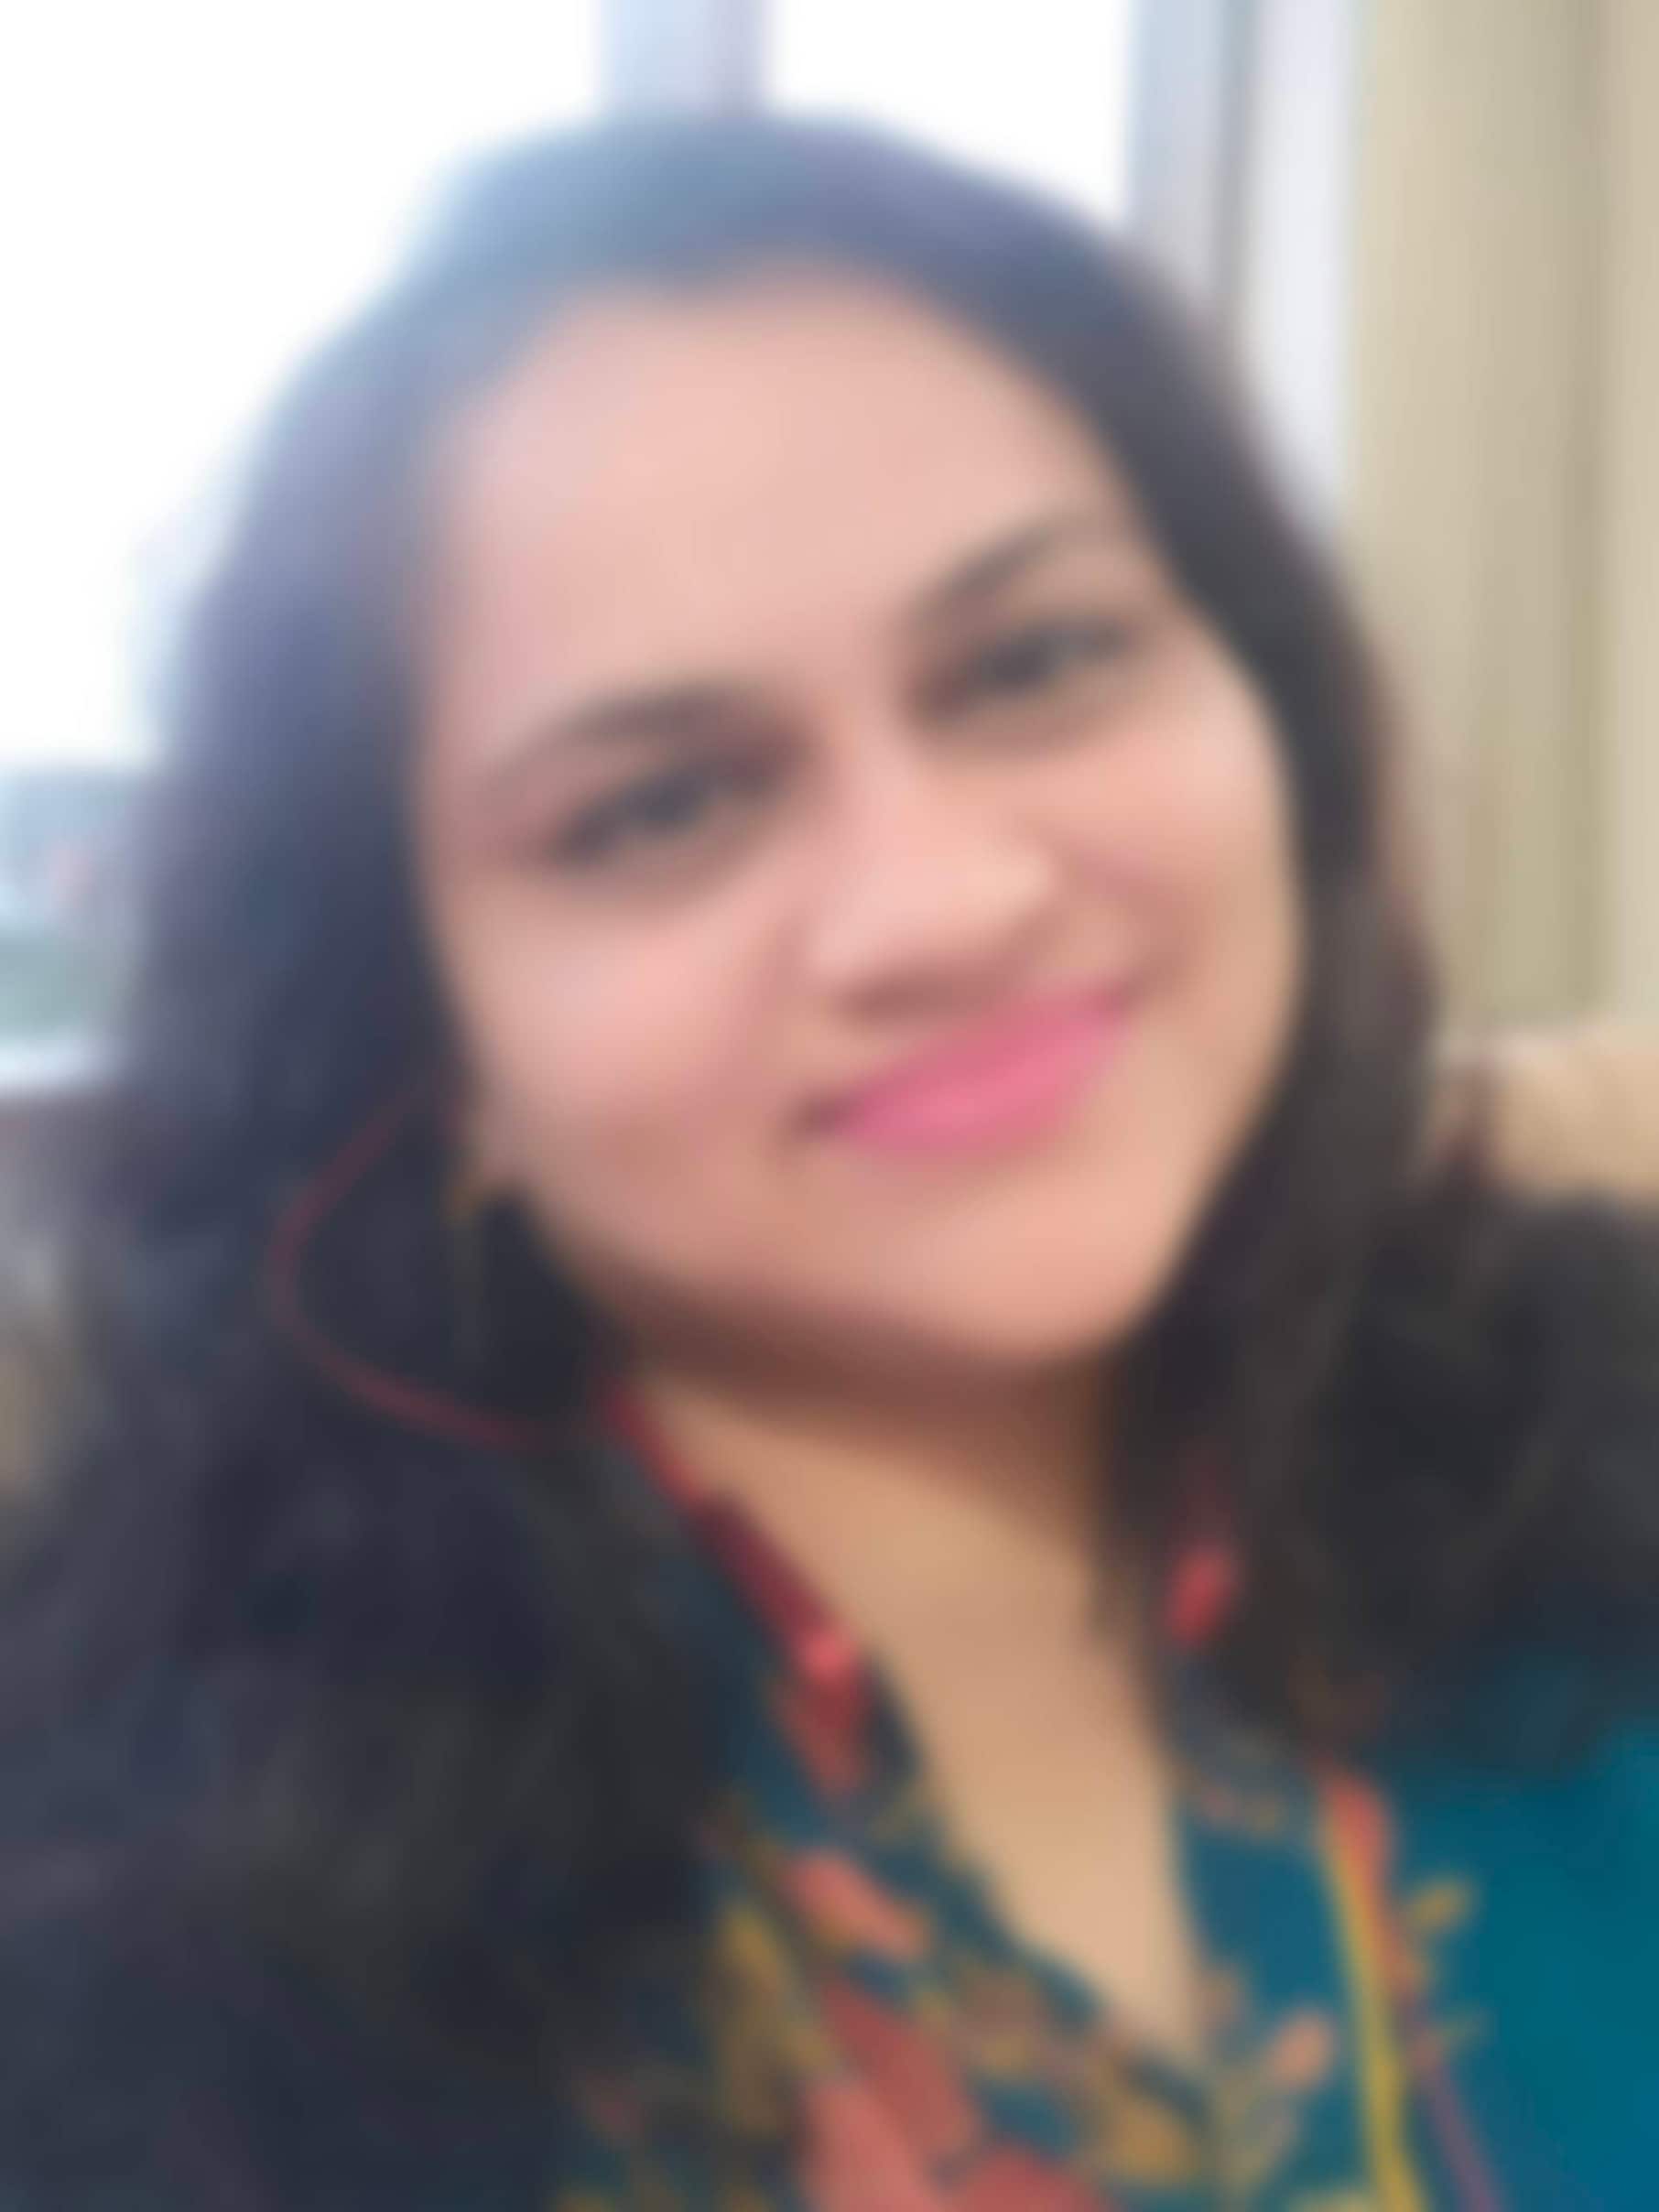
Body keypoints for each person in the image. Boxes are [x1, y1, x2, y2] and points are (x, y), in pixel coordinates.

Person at [2, 115, 1656, 2212]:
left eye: (1037, 661)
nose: (941, 906)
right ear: (434, 1045)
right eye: (659, 808)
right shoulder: (147, 1941)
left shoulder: (1611, 1415)